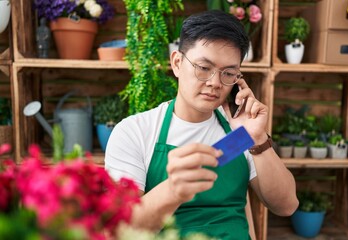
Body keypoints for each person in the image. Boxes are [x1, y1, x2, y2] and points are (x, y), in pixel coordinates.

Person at [105, 10, 298, 239]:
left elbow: (286, 205)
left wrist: (257, 139)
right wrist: (175, 189)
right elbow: (123, 229)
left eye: (228, 73)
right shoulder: (136, 132)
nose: (215, 83)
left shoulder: (237, 133)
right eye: (204, 68)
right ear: (177, 63)